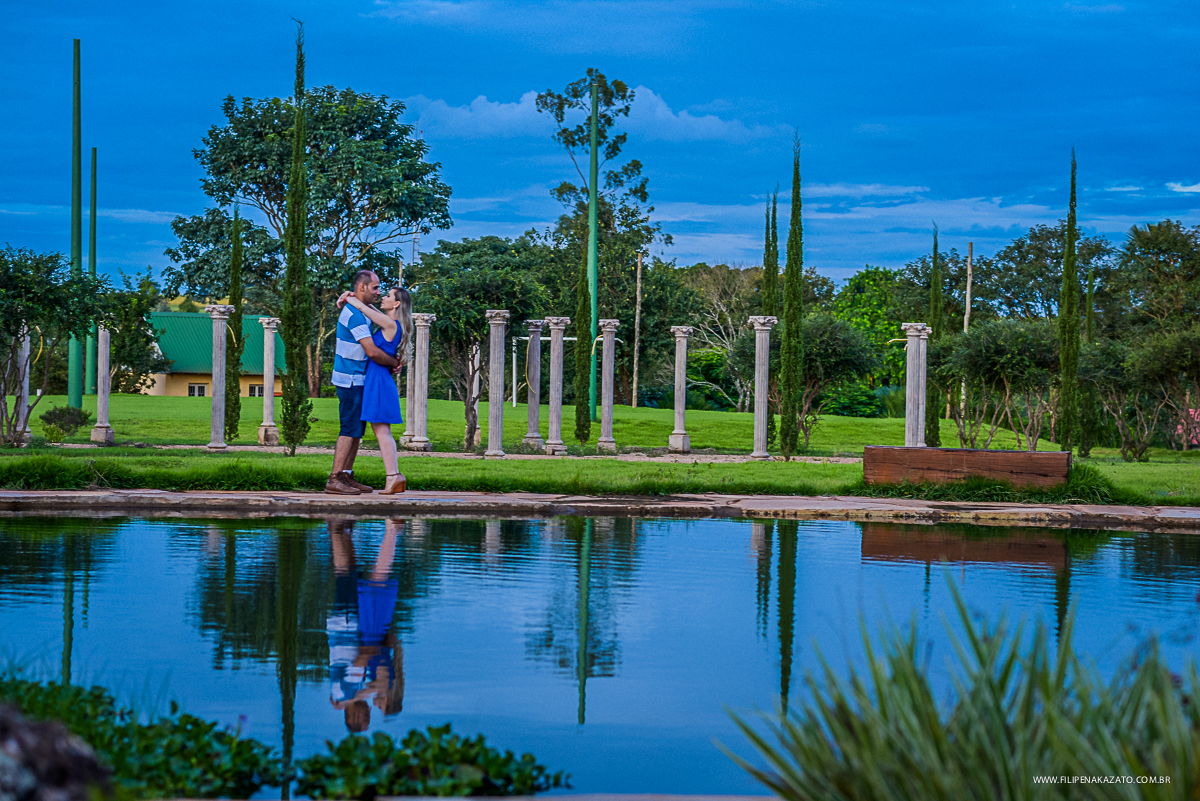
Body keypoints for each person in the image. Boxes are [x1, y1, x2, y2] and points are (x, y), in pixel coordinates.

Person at [326, 517, 406, 732]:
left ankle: (336, 528)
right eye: (370, 715)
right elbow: (367, 657)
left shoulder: (345, 693)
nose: (370, 711)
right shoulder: (349, 694)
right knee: (350, 573)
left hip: (345, 626)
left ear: (352, 716)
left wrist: (349, 700)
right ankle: (342, 529)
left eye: (366, 717)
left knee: (345, 574)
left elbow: (363, 656)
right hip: (349, 627)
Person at [326, 270, 402, 496]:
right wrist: (393, 362)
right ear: (362, 287)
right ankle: (335, 478)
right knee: (349, 428)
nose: (379, 293)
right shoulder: (356, 315)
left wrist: (348, 297)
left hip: (359, 378)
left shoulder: (364, 311)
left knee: (356, 430)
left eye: (381, 290)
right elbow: (372, 352)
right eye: (375, 288)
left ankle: (346, 476)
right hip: (350, 378)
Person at [341, 287, 412, 495]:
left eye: (388, 296)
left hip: (379, 380)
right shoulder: (389, 322)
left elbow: (364, 308)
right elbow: (369, 308)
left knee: (382, 430)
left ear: (397, 303)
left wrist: (348, 298)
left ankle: (393, 476)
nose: (383, 297)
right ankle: (394, 476)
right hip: (378, 378)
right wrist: (350, 297)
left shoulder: (390, 324)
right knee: (380, 430)